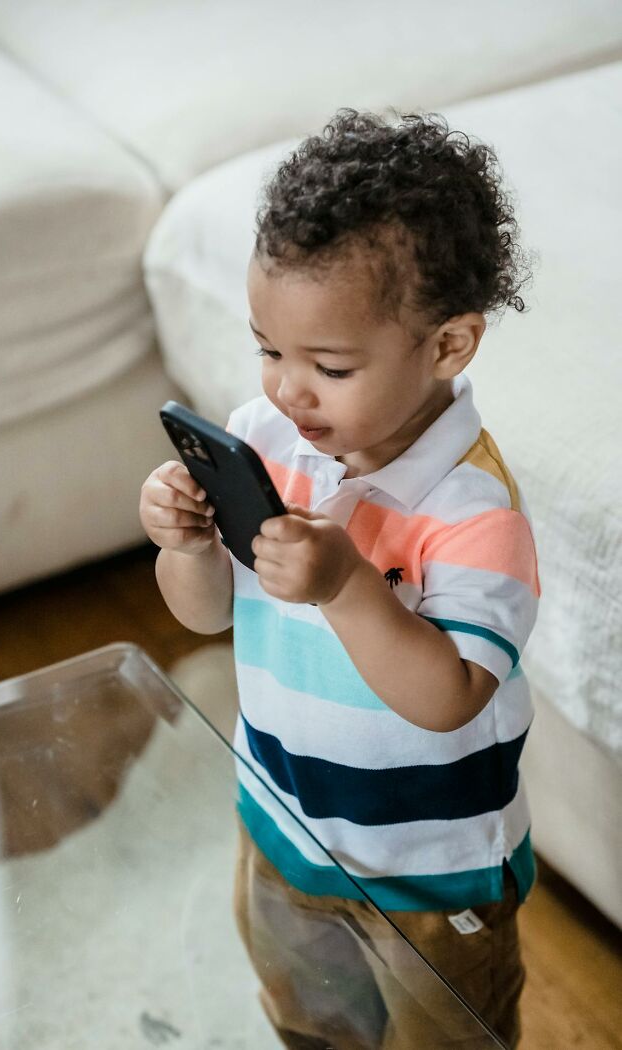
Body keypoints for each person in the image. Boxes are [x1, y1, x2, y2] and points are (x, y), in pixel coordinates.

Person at [139, 109, 539, 1049]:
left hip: (429, 874)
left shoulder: (475, 513)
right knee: (309, 1024)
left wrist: (349, 586)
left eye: (328, 365)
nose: (288, 389)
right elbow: (206, 618)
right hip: (283, 827)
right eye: (269, 350)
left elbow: (449, 697)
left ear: (448, 346)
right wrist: (186, 548)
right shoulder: (267, 438)